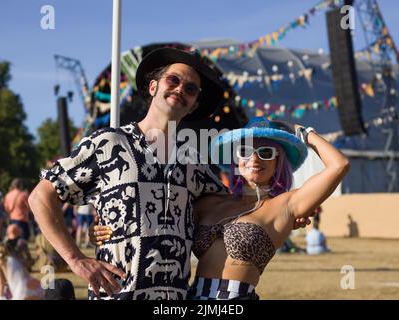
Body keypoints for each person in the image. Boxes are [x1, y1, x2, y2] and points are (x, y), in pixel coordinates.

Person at [28, 47, 232, 300]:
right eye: (173, 80)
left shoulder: (194, 162)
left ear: (193, 106)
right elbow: (41, 197)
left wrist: (284, 200)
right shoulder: (108, 143)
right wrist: (76, 259)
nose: (181, 89)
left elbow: (229, 209)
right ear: (153, 87)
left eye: (191, 89)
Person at [91, 117, 350, 299]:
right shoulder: (210, 201)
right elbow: (155, 212)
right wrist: (109, 227)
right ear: (236, 159)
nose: (255, 158)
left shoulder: (286, 205)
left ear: (278, 162)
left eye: (267, 153)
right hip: (189, 298)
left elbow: (339, 165)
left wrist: (305, 134)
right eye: (246, 150)